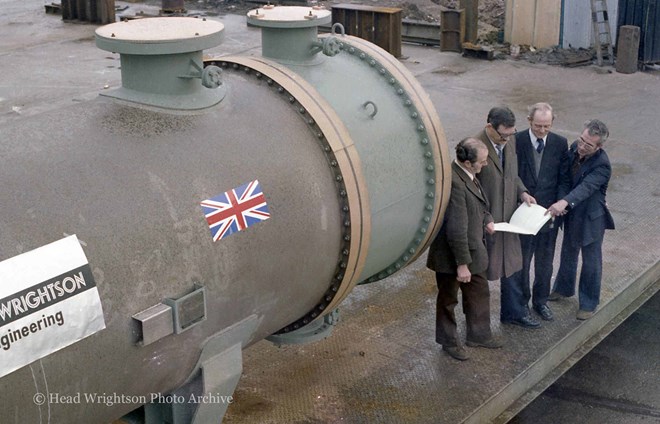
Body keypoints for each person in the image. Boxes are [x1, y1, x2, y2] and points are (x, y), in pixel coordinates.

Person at [427, 138, 501, 361]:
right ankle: (448, 342)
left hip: (473, 251)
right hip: (453, 256)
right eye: (482, 161)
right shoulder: (455, 183)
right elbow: (456, 229)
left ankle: (479, 335)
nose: (485, 164)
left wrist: (487, 219)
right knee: (448, 300)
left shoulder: (467, 174)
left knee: (479, 292)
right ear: (468, 163)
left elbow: (480, 203)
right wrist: (462, 265)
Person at [475, 106, 539, 329]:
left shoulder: (509, 141)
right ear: (489, 128)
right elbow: (469, 190)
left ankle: (512, 313)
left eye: (511, 134)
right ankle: (478, 325)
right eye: (503, 135)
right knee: (479, 276)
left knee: (511, 267)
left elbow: (513, 173)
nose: (507, 139)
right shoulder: (474, 147)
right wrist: (485, 219)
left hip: (509, 220)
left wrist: (522, 192)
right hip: (486, 224)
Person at [546, 119, 615, 320]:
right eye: (582, 140)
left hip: (591, 219)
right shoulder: (575, 148)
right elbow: (566, 178)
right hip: (572, 214)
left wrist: (564, 202)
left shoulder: (602, 165)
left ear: (599, 146)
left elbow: (585, 188)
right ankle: (563, 289)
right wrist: (562, 199)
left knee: (591, 262)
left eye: (588, 145)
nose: (582, 147)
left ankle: (588, 303)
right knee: (568, 252)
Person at [511, 103, 570, 322]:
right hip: (524, 212)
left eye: (546, 126)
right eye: (537, 126)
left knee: (545, 263)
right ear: (529, 121)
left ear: (552, 122)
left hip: (548, 214)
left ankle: (541, 302)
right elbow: (512, 174)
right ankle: (522, 303)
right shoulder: (516, 141)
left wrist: (559, 203)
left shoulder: (559, 143)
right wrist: (522, 193)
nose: (542, 130)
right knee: (523, 262)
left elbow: (564, 178)